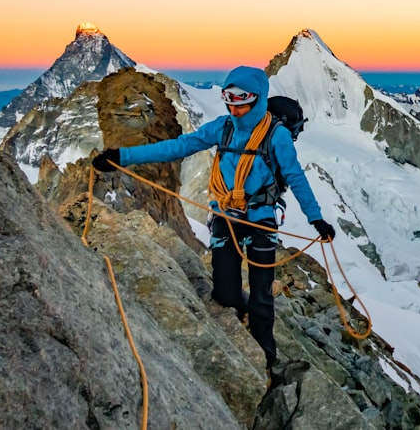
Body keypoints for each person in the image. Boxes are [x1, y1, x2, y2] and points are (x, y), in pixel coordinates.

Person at [92, 65, 335, 372]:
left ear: (258, 100)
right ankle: (242, 311)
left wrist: (316, 220)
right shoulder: (224, 128)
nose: (234, 108)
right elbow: (178, 147)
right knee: (225, 292)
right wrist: (122, 157)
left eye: (241, 102)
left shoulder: (277, 136)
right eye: (229, 101)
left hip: (260, 216)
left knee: (262, 290)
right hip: (224, 212)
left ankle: (265, 357)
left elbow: (295, 177)